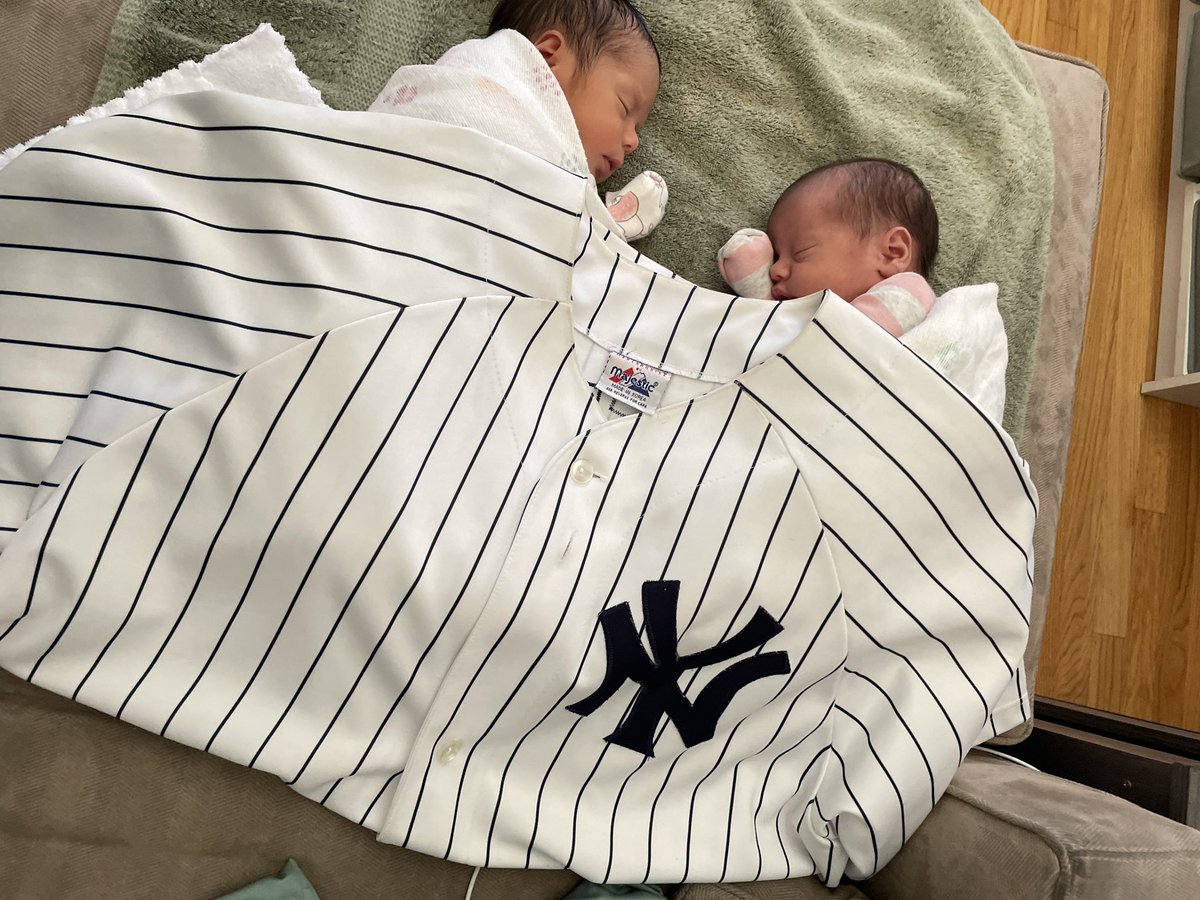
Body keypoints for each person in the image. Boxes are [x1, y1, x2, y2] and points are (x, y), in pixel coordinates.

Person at [369, 0, 668, 240]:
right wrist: (608, 231)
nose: (633, 142)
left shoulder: (568, 181)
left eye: (636, 128)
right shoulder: (477, 77)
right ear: (549, 55)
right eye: (624, 106)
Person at [718, 158, 940, 337]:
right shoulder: (812, 323)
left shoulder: (914, 302)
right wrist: (761, 298)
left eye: (800, 253)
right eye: (776, 257)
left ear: (892, 253)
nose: (775, 270)